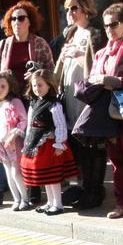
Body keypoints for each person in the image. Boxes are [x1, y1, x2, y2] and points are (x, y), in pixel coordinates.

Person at [82, 3, 123, 220]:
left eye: (114, 24)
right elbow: (93, 79)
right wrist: (101, 82)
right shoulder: (102, 53)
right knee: (117, 161)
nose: (109, 29)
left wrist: (108, 81)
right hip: (106, 112)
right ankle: (122, 204)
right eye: (106, 25)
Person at [54, 0, 106, 210]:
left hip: (88, 98)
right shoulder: (70, 33)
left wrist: (79, 55)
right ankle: (85, 187)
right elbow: (60, 66)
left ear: (86, 8)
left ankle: (95, 190)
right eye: (67, 9)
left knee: (93, 146)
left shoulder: (94, 32)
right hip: (69, 97)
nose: (70, 13)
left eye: (74, 8)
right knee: (77, 146)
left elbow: (98, 64)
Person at [20, 68, 75, 215]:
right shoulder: (33, 104)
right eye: (34, 85)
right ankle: (50, 202)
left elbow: (60, 125)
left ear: (49, 85)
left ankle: (58, 204)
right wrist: (28, 141)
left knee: (53, 177)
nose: (37, 89)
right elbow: (31, 125)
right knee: (45, 176)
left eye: (40, 85)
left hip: (50, 145)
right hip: (37, 144)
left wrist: (59, 143)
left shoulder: (54, 104)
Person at [0, 70, 28, 210]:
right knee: (8, 173)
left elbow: (23, 120)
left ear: (10, 87)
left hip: (14, 143)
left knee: (15, 172)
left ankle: (25, 198)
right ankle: (16, 199)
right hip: (1, 144)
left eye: (3, 86)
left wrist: (14, 134)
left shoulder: (15, 102)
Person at [0, 1, 55, 80]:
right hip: (9, 92)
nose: (17, 22)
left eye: (21, 18)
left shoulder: (40, 43)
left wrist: (36, 76)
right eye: (13, 19)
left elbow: (51, 73)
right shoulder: (2, 45)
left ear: (29, 22)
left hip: (33, 91)